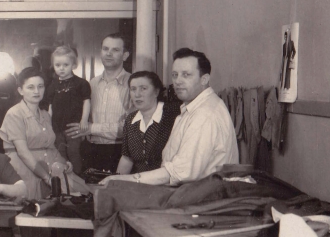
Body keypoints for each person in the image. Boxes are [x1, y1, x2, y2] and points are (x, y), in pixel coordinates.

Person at [102, 49, 238, 186]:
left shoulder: (205, 115)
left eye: (186, 75)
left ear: (204, 79)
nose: (178, 81)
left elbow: (179, 173)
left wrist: (127, 180)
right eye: (175, 75)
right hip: (193, 193)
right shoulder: (192, 108)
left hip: (202, 199)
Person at [0, 66, 72, 200]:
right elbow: (22, 152)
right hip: (25, 171)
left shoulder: (45, 115)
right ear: (20, 90)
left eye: (40, 86)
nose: (37, 91)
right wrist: (46, 177)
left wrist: (64, 163)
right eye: (30, 87)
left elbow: (50, 147)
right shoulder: (14, 114)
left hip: (48, 170)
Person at [66, 33, 132, 173]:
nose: (108, 53)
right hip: (91, 151)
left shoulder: (133, 84)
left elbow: (127, 128)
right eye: (105, 49)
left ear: (125, 55)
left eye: (115, 50)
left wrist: (90, 129)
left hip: (120, 153)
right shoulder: (92, 84)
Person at [113, 71, 177, 176]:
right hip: (139, 184)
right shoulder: (130, 119)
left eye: (143, 88)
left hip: (166, 184)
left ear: (156, 92)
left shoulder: (172, 115)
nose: (137, 94)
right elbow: (126, 158)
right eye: (133, 89)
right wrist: (116, 182)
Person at [47, 45, 91, 175]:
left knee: (73, 151)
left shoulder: (81, 83)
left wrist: (84, 120)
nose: (61, 68)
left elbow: (86, 101)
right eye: (57, 65)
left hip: (74, 127)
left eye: (65, 65)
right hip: (57, 126)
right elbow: (50, 106)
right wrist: (48, 122)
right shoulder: (53, 85)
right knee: (60, 153)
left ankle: (77, 178)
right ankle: (64, 179)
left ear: (74, 65)